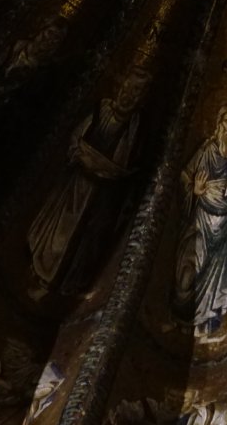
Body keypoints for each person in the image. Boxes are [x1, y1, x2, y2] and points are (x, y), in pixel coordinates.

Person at [25, 73, 148, 294]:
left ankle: (61, 284)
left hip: (99, 199)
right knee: (57, 234)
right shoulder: (102, 110)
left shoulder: (135, 128)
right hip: (75, 187)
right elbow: (76, 137)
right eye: (127, 88)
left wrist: (93, 160)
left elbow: (123, 167)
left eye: (136, 92)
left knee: (82, 244)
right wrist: (82, 155)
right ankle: (39, 272)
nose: (128, 95)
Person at [174, 105, 227, 336]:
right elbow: (185, 176)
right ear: (219, 125)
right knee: (187, 272)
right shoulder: (206, 150)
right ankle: (180, 320)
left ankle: (207, 327)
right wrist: (195, 191)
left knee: (217, 279)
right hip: (201, 220)